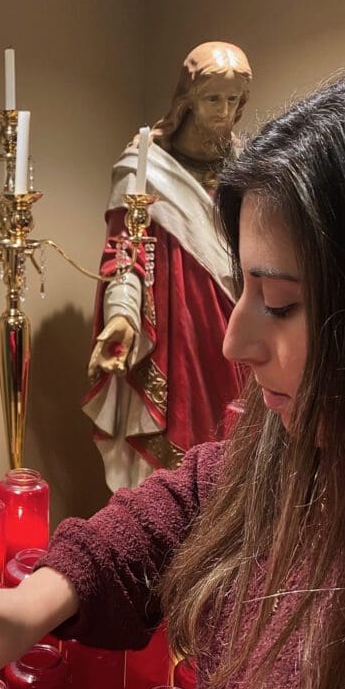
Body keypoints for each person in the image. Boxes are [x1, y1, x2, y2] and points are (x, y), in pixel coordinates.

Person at [0, 66, 345, 689]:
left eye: (278, 301)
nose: (235, 340)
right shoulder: (294, 444)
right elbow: (198, 494)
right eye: (240, 288)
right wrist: (48, 591)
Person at [85, 43, 252, 491]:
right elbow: (125, 249)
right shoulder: (146, 168)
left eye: (233, 100)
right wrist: (121, 315)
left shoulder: (248, 164)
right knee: (175, 454)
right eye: (213, 98)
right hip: (177, 329)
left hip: (237, 318)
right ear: (188, 100)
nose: (223, 111)